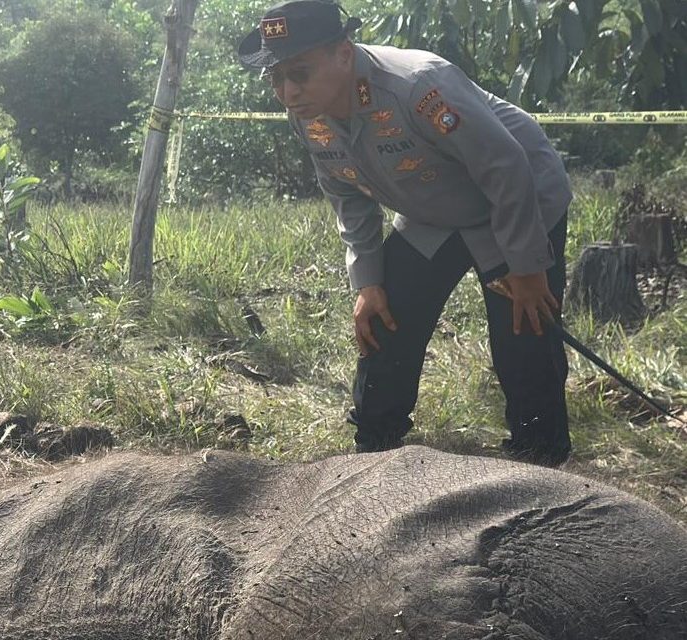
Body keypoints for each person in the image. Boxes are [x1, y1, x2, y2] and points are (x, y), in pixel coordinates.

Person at [238, 1, 574, 466]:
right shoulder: (307, 113)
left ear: (343, 53)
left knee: (524, 327)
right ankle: (374, 447)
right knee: (383, 316)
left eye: (299, 73)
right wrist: (367, 281)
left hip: (515, 200)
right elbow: (347, 195)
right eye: (275, 79)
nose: (287, 91)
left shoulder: (418, 85)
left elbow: (504, 165)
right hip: (432, 211)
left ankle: (540, 457)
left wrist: (528, 266)